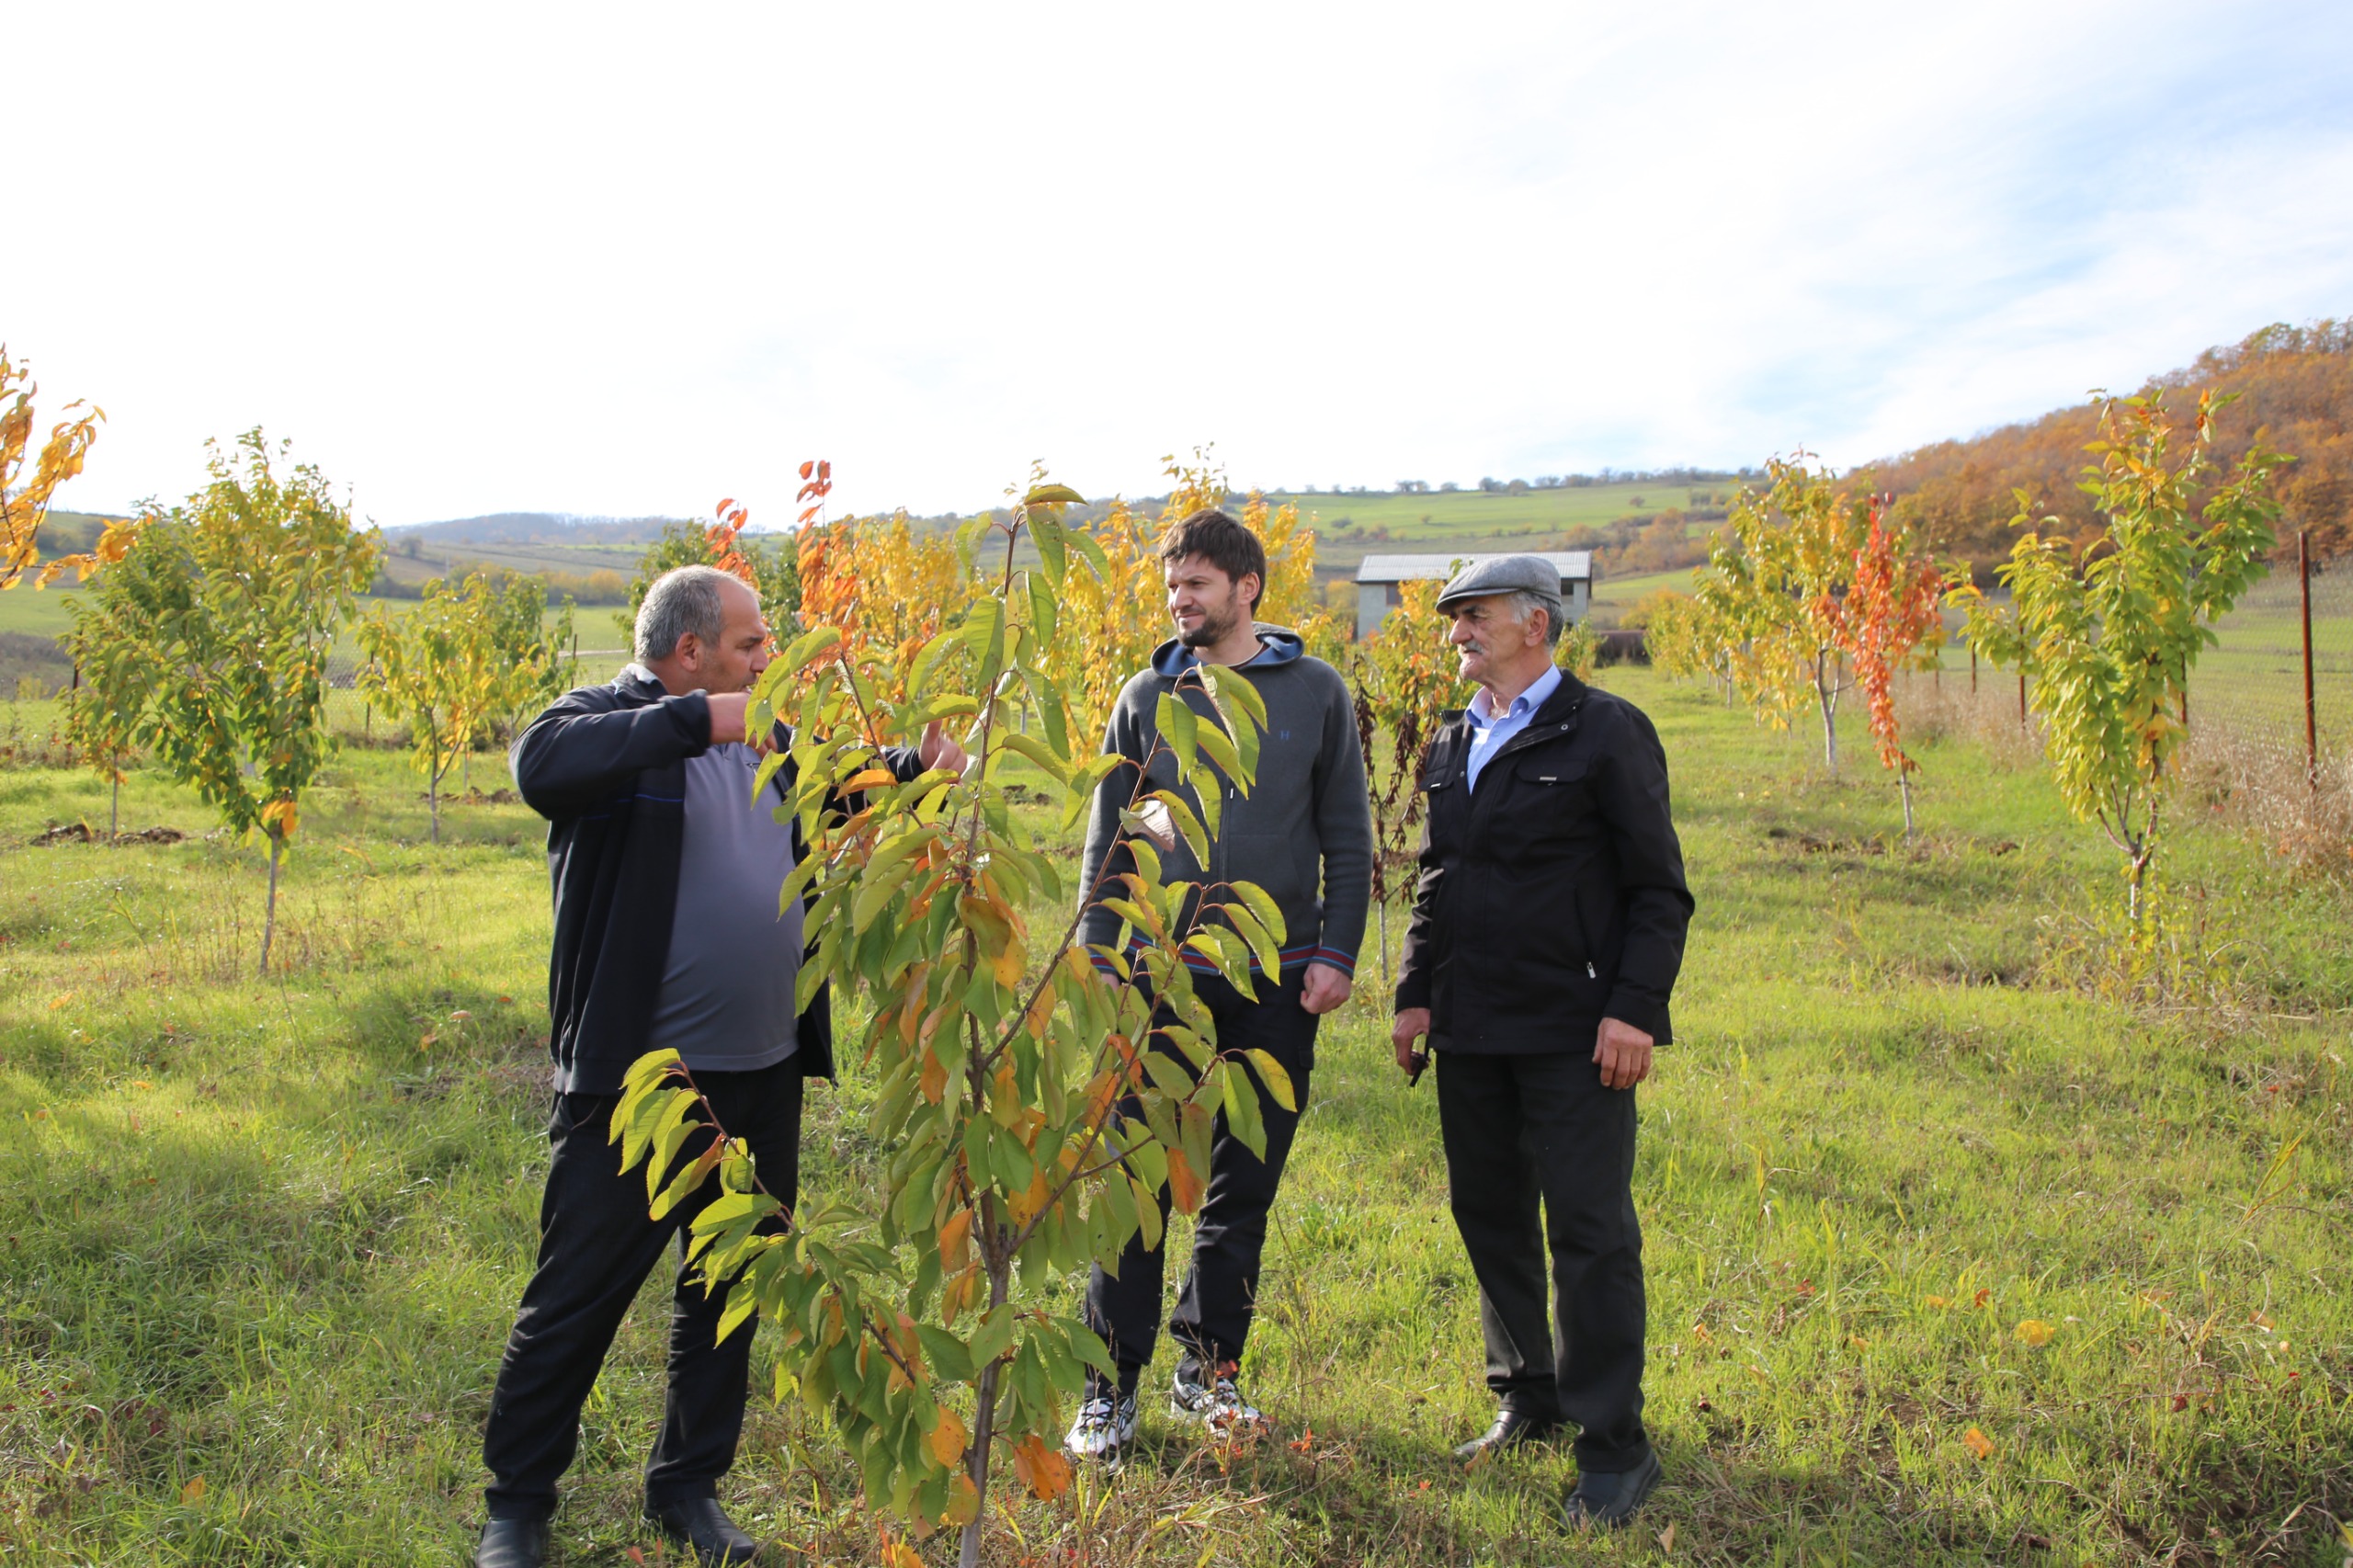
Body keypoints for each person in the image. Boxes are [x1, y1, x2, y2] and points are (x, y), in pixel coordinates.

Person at [473, 566, 962, 1568]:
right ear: (690, 651)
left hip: (759, 1072)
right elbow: (540, 767)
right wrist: (705, 720)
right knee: (577, 1297)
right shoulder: (607, 722)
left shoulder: (769, 735)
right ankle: (517, 1507)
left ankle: (687, 1485)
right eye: (749, 646)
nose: (765, 662)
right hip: (637, 1088)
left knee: (727, 1291)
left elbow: (840, 784)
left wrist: (920, 765)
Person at [1063, 508, 1373, 1461]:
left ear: (1247, 588)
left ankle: (1210, 1371)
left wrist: (1337, 953)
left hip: (1276, 978)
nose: (1178, 599)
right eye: (1171, 584)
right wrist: (1100, 951)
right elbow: (1114, 835)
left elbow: (1348, 837)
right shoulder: (1146, 697)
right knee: (1134, 1183)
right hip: (1159, 978)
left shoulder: (1314, 692)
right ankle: (1108, 1389)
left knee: (1244, 1182)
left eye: (1195, 583)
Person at [1391, 554, 1692, 1528]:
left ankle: (1615, 1447)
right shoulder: (1453, 739)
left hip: (1576, 1028)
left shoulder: (1605, 731)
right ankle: (1529, 1390)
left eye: (1472, 615)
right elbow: (1439, 877)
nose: (1456, 633)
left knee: (1590, 1230)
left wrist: (1634, 1008)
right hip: (1472, 1026)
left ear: (1534, 621)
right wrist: (1411, 994)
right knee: (1490, 1213)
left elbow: (1657, 888)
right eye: (1453, 619)